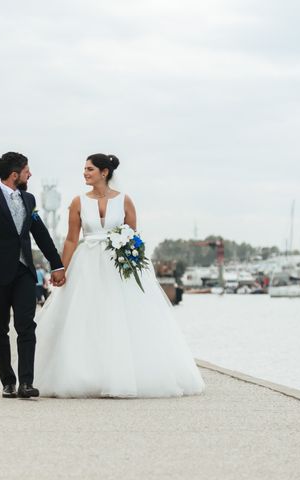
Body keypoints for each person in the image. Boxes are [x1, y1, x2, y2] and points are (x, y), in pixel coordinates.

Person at [35, 153, 205, 398]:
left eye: (90, 169)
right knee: (86, 315)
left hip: (118, 264)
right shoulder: (78, 202)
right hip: (88, 263)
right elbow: (72, 238)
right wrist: (61, 268)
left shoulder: (125, 201)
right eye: (84, 169)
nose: (85, 173)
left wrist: (132, 260)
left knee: (120, 315)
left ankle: (124, 374)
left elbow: (133, 236)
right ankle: (84, 373)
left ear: (104, 172)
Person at [0, 152, 65, 399]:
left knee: (26, 326)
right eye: (27, 170)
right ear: (14, 174)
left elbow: (40, 234)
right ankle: (8, 382)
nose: (30, 174)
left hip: (24, 273)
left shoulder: (29, 200)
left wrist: (57, 264)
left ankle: (26, 383)